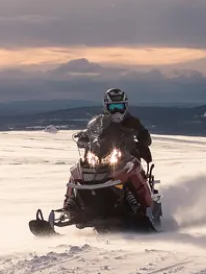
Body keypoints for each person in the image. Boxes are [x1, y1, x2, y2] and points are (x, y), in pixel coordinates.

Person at [61, 88, 154, 216]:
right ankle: (68, 206)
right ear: (106, 107)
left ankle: (145, 206)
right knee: (77, 171)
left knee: (133, 168)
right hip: (102, 158)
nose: (116, 111)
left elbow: (144, 135)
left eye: (119, 107)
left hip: (126, 156)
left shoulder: (133, 122)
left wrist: (143, 138)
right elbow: (90, 131)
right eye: (113, 107)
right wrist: (84, 137)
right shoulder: (100, 121)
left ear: (125, 106)